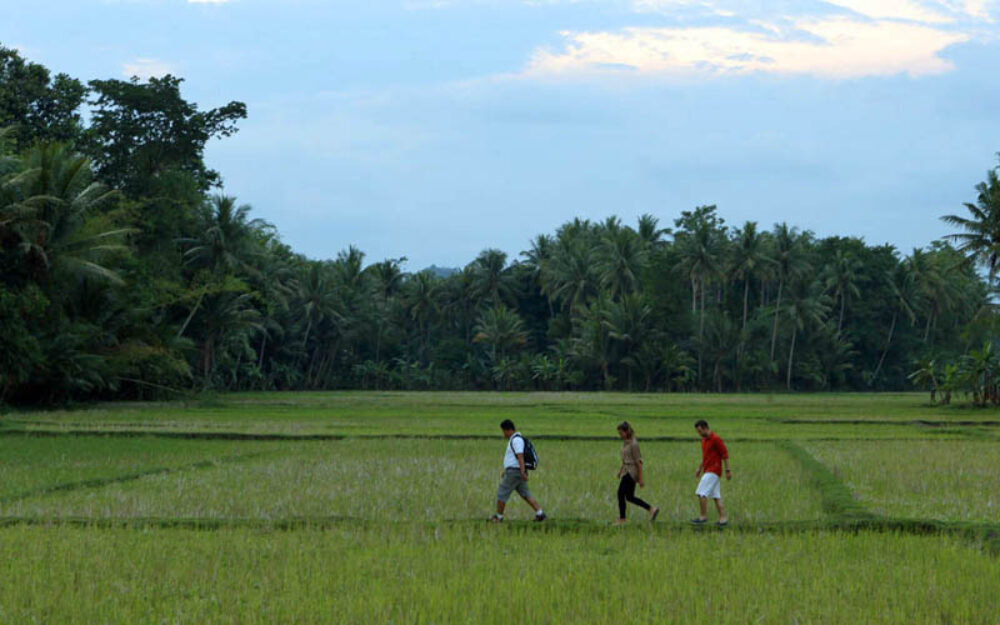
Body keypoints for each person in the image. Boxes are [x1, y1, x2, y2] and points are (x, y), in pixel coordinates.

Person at [489, 419, 546, 522]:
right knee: (525, 494)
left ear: (508, 430)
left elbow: (520, 456)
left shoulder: (516, 440)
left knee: (502, 493)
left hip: (515, 472)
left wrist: (523, 472)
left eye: (504, 431)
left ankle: (498, 517)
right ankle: (540, 513)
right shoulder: (515, 440)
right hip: (515, 471)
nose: (503, 434)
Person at [614, 421, 659, 525]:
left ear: (626, 432)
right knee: (629, 497)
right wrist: (620, 470)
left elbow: (638, 462)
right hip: (626, 471)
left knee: (620, 493)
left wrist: (640, 479)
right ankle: (651, 509)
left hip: (631, 472)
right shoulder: (626, 443)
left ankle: (622, 519)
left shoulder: (634, 444)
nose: (620, 435)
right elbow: (625, 459)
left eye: (621, 433)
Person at [692, 419, 731, 526]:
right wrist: (699, 468)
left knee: (701, 493)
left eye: (700, 431)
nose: (699, 434)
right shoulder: (704, 441)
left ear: (705, 428)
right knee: (716, 496)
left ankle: (703, 517)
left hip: (714, 470)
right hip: (707, 469)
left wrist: (728, 470)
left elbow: (725, 454)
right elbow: (705, 457)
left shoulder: (716, 439)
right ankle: (723, 519)